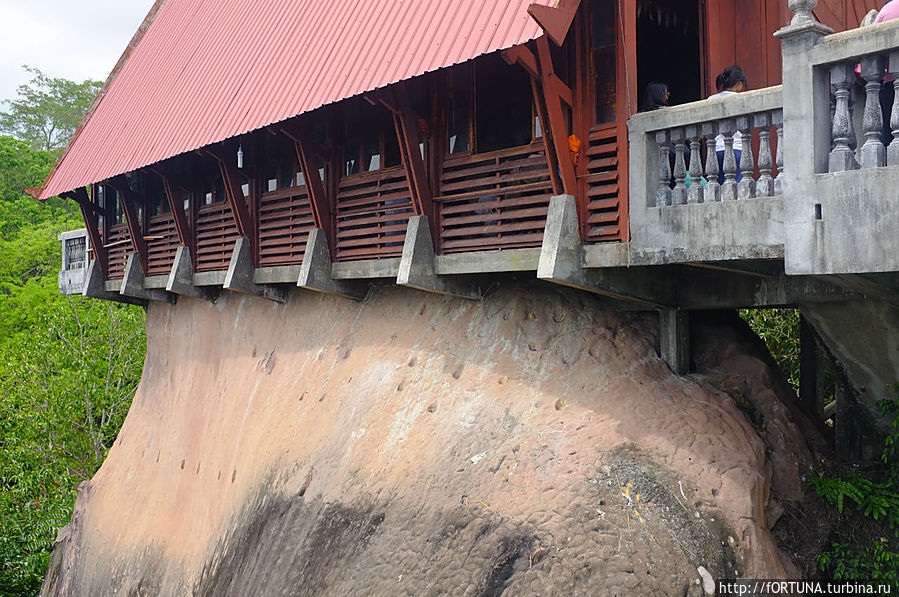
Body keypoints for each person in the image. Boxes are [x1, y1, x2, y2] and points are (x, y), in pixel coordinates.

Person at [708, 66, 748, 184]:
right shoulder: (742, 99)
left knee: (719, 190)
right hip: (737, 149)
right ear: (739, 83)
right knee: (738, 191)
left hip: (717, 150)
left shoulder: (711, 99)